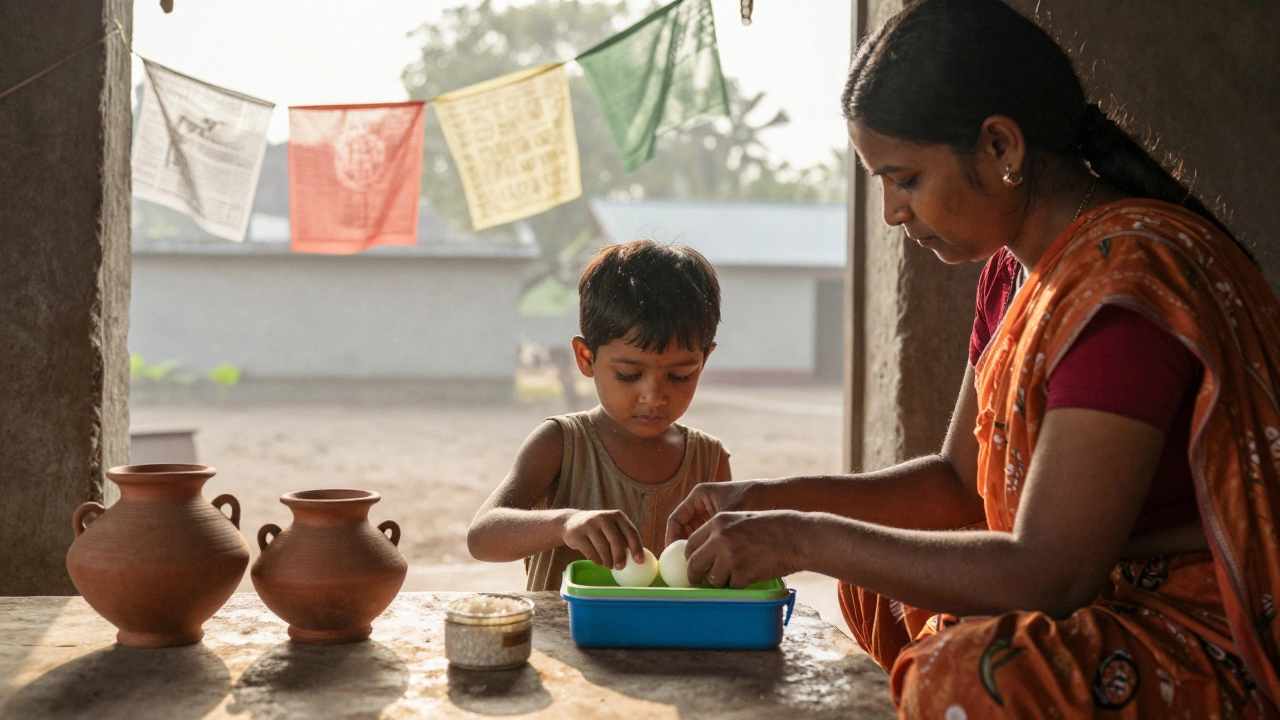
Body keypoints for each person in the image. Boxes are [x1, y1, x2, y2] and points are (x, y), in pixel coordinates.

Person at [664, 0, 1280, 716]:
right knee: (876, 577)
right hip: (1095, 592)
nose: (893, 212)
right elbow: (959, 482)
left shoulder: (1126, 285)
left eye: (906, 179)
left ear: (1001, 147)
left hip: (1197, 617)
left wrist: (804, 535)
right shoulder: (1012, 271)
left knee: (964, 671)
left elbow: (1054, 572)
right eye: (882, 185)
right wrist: (767, 503)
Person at [469, 239, 732, 591]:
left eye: (680, 375)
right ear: (586, 358)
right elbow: (482, 536)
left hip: (675, 644)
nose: (653, 397)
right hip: (567, 643)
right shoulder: (560, 444)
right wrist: (564, 523)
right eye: (628, 375)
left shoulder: (709, 461)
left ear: (705, 360)